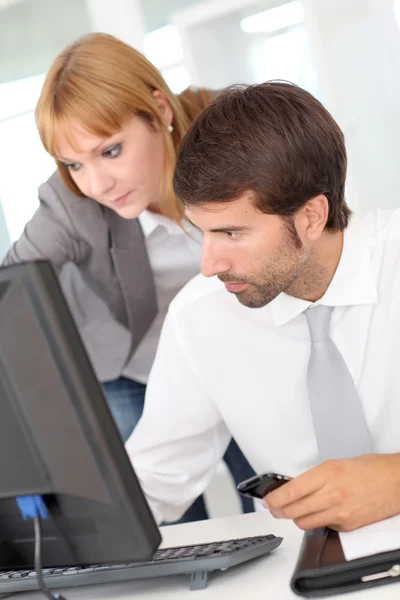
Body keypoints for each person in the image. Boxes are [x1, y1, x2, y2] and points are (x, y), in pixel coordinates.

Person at [1, 33, 255, 521]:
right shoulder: (69, 204)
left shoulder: (232, 136)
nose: (96, 184)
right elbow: (11, 290)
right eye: (74, 163)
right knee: (158, 521)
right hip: (132, 366)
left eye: (111, 151)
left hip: (233, 350)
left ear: (158, 109)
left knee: (270, 489)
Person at [126, 81, 400, 532]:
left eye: (231, 233)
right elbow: (154, 479)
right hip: (297, 572)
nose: (209, 263)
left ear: (311, 216)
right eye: (203, 231)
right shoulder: (199, 317)